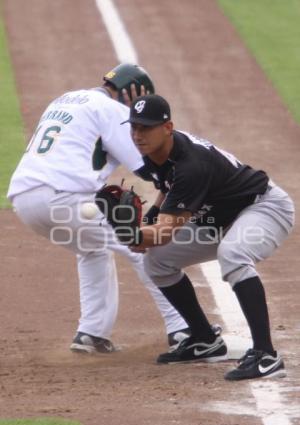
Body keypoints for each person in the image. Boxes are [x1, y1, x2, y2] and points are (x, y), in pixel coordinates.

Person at [6, 64, 191, 354]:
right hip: (64, 197)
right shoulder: (111, 110)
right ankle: (183, 327)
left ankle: (91, 333)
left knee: (92, 249)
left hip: (25, 201)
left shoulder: (66, 100)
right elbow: (147, 167)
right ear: (134, 93)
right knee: (143, 244)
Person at [121, 94, 294, 380]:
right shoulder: (156, 151)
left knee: (233, 254)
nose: (138, 135)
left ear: (168, 127)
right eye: (135, 127)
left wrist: (136, 233)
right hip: (217, 217)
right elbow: (167, 188)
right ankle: (203, 340)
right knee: (158, 262)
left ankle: (266, 355)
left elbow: (165, 232)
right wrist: (148, 221)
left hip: (262, 208)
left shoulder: (192, 165)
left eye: (146, 128)